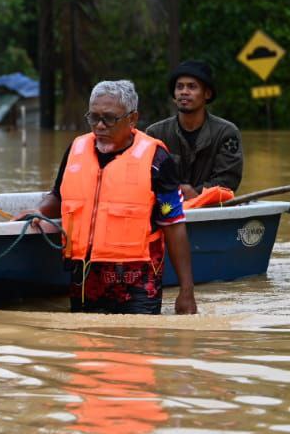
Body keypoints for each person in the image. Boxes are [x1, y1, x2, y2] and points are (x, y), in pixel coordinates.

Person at [35, 80, 197, 315]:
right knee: (86, 347)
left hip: (137, 284)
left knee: (135, 349)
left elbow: (173, 225)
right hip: (84, 281)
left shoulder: (157, 160)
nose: (100, 126)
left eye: (109, 119)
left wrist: (186, 291)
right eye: (94, 117)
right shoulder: (76, 150)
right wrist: (38, 212)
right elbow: (58, 197)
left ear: (132, 119)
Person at [146, 60, 242, 200]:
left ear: (207, 94)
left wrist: (195, 193)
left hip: (210, 208)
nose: (184, 92)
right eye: (179, 87)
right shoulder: (155, 134)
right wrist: (176, 193)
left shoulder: (226, 133)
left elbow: (228, 180)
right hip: (166, 208)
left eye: (192, 87)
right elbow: (147, 177)